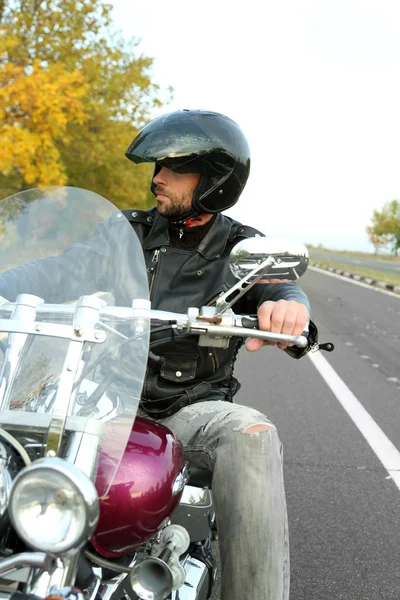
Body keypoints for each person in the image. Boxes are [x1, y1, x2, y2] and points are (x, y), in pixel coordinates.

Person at [122, 109, 315, 600]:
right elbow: (57, 269)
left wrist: (287, 308)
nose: (157, 179)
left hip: (188, 409)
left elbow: (278, 287)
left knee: (251, 436)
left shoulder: (242, 248)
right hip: (105, 402)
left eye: (173, 170)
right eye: (157, 167)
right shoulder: (124, 232)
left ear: (214, 182)